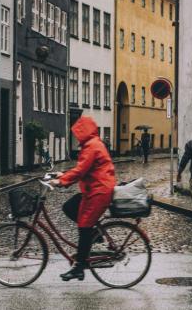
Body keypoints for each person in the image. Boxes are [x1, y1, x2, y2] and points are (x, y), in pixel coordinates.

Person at [49, 116, 116, 281]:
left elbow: (80, 171)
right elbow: (82, 168)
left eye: (79, 133)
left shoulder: (92, 146)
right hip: (93, 189)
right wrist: (63, 175)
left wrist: (61, 181)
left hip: (98, 191)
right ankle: (94, 235)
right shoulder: (92, 144)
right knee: (70, 207)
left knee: (84, 225)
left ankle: (79, 267)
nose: (77, 136)